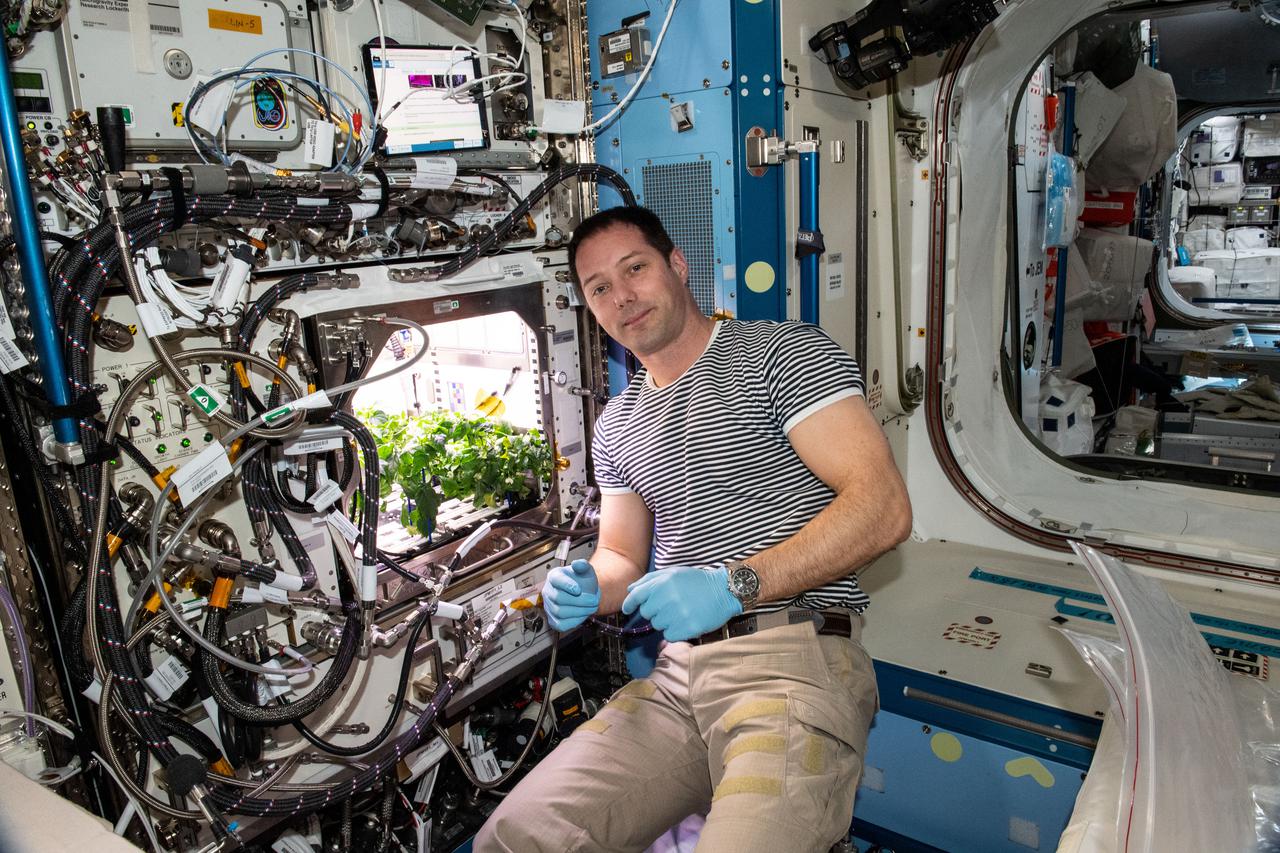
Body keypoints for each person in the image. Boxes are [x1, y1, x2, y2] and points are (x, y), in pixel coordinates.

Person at [475, 206, 912, 853]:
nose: (621, 295)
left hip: (794, 662)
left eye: (635, 269)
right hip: (678, 680)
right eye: (599, 287)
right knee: (517, 837)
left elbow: (883, 508)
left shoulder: (779, 353)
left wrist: (734, 584)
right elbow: (622, 556)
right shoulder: (617, 425)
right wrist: (590, 584)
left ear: (677, 265)